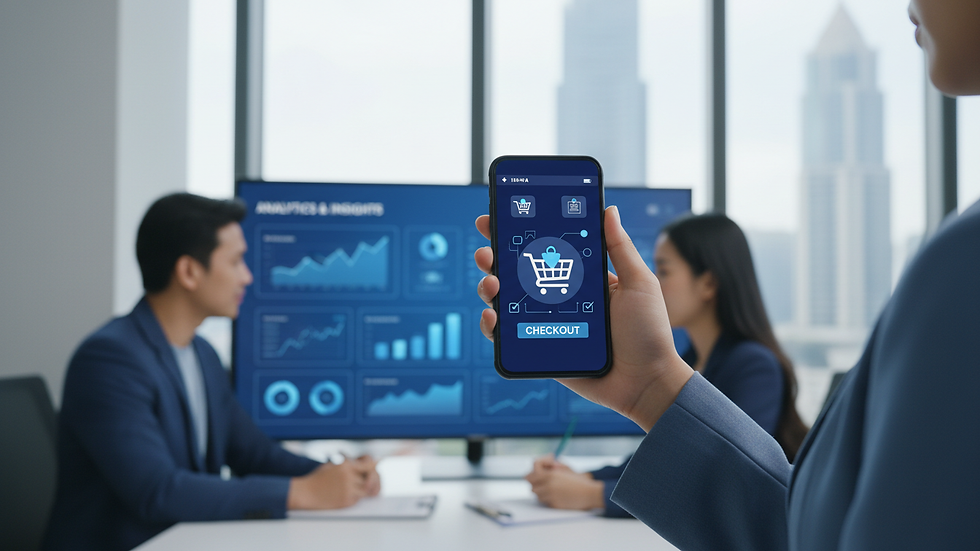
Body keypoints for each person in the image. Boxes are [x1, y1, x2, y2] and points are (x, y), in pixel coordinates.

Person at [476, 4, 980, 545]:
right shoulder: (957, 256)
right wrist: (650, 388)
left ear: (710, 282)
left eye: (666, 268)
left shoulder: (962, 264)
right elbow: (813, 537)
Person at [44, 193, 381, 551]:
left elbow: (253, 453)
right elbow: (157, 491)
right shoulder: (109, 359)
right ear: (189, 271)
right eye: (235, 262)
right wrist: (301, 493)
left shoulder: (202, 354)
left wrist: (335, 477)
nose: (247, 277)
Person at [525, 213, 808, 517]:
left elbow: (720, 477)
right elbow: (663, 458)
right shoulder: (687, 360)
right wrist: (585, 477)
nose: (653, 283)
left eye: (663, 270)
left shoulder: (754, 366)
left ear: (708, 282)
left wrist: (594, 495)